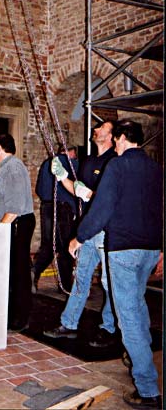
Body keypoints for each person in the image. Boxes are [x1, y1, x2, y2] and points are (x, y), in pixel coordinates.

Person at [69, 119, 162, 409]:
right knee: (136, 301)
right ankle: (138, 350)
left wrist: (80, 237)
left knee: (127, 315)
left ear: (121, 139)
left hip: (123, 249)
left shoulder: (117, 166)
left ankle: (147, 389)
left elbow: (102, 209)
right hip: (150, 248)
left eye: (117, 139)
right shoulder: (156, 169)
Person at [44, 120, 117, 347]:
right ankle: (69, 324)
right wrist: (62, 176)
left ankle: (108, 327)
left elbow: (105, 198)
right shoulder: (89, 162)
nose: (95, 129)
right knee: (81, 278)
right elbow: (78, 190)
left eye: (101, 128)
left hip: (105, 229)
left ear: (112, 136)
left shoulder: (113, 162)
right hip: (88, 229)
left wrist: (87, 194)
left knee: (109, 282)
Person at [0, 134, 35, 332]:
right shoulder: (5, 167)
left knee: (18, 271)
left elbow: (15, 207)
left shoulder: (12, 168)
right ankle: (11, 312)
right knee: (12, 270)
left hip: (16, 224)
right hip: (13, 225)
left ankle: (19, 317)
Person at [31, 145, 78, 293]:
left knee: (49, 245)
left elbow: (39, 189)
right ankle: (65, 286)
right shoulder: (72, 164)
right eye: (75, 155)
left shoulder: (47, 163)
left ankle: (34, 271)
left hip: (47, 207)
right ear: (70, 152)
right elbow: (76, 188)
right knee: (65, 248)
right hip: (63, 209)